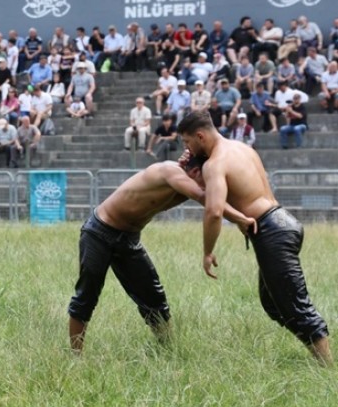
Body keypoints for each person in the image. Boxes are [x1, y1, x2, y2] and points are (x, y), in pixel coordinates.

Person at [177, 111, 332, 365]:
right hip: (283, 222)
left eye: (187, 142)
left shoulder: (215, 164)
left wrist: (207, 251)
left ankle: (327, 368)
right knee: (272, 303)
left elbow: (214, 211)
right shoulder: (242, 148)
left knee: (293, 303)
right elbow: (237, 191)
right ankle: (317, 352)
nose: (186, 148)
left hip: (272, 232)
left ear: (200, 136)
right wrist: (191, 167)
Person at [68, 154, 256, 355]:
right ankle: (75, 356)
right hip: (100, 232)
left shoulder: (190, 182)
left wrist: (243, 216)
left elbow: (218, 195)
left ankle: (166, 351)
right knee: (87, 294)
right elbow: (207, 199)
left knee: (154, 297)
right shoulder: (170, 171)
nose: (211, 184)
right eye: (208, 178)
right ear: (194, 172)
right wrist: (240, 219)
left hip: (129, 239)